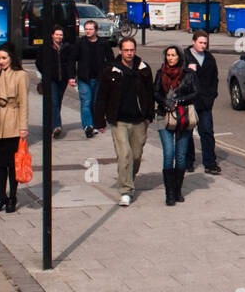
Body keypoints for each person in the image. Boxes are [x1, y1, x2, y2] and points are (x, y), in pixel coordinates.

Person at [94, 37, 154, 205]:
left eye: (132, 50)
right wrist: (99, 121)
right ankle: (126, 190)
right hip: (119, 120)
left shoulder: (144, 69)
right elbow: (102, 96)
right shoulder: (110, 70)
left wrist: (150, 115)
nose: (129, 53)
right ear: (120, 51)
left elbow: (150, 93)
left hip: (139, 120)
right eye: (126, 50)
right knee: (124, 154)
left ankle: (128, 178)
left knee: (136, 156)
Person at [0, 46, 29, 213]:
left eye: (4, 58)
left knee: (11, 164)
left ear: (11, 58)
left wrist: (23, 127)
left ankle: (13, 197)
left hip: (13, 121)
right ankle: (1, 196)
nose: (0, 61)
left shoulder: (21, 75)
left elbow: (23, 102)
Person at [154, 46, 199, 205]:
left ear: (179, 57)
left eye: (173, 55)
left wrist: (179, 101)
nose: (170, 58)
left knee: (180, 156)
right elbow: (156, 92)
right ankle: (169, 194)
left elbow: (195, 93)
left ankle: (178, 190)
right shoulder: (161, 73)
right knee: (169, 153)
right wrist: (165, 102)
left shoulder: (188, 74)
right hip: (163, 116)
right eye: (168, 55)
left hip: (183, 117)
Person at [183, 29, 221, 175]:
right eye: (200, 43)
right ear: (194, 42)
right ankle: (188, 162)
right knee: (187, 132)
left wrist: (212, 96)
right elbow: (178, 77)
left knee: (207, 132)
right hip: (188, 101)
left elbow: (214, 79)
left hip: (205, 102)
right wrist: (188, 70)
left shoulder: (210, 59)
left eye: (205, 43)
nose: (203, 46)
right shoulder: (185, 57)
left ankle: (210, 163)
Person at [73, 19, 112, 138]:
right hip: (84, 78)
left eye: (90, 29)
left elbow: (110, 59)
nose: (88, 31)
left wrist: (109, 74)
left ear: (96, 30)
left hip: (99, 78)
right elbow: (72, 60)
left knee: (96, 102)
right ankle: (87, 126)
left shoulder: (103, 43)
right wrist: (71, 76)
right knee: (86, 101)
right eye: (86, 29)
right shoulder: (79, 43)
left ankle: (95, 124)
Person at [37, 27, 76, 139]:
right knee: (54, 101)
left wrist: (71, 76)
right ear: (52, 35)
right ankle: (57, 126)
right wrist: (46, 73)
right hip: (51, 79)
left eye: (61, 35)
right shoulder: (45, 47)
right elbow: (38, 62)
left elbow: (70, 63)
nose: (59, 37)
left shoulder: (66, 48)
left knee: (58, 102)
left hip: (62, 79)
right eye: (57, 34)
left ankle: (51, 125)